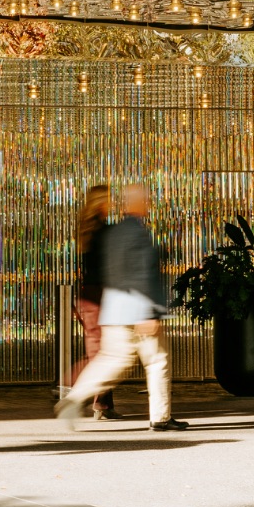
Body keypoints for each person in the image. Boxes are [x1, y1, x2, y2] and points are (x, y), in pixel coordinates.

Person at [55, 183, 188, 431]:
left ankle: (74, 398)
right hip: (138, 309)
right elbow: (140, 274)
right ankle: (160, 417)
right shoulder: (136, 232)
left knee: (111, 360)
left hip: (114, 310)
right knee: (157, 361)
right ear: (138, 203)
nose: (148, 204)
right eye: (145, 200)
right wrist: (149, 312)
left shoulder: (113, 233)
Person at [69, 184, 120, 420]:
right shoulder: (106, 232)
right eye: (109, 200)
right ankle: (71, 388)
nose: (112, 204)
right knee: (106, 352)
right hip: (101, 296)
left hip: (88, 296)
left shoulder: (86, 230)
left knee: (100, 349)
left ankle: (103, 403)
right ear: (101, 203)